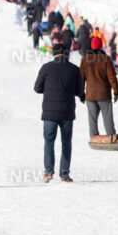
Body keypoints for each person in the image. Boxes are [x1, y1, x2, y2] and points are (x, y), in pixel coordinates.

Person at [33, 43, 84, 183]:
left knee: (49, 142)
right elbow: (80, 92)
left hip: (49, 113)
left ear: (53, 53)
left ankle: (48, 172)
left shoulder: (46, 68)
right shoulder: (75, 69)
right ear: (66, 53)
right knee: (66, 142)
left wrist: (49, 89)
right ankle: (64, 174)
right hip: (67, 112)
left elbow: (37, 88)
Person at [80, 37, 118, 137]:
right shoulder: (106, 59)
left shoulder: (85, 59)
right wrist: (116, 91)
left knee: (92, 119)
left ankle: (94, 137)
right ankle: (111, 137)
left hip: (90, 95)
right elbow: (112, 77)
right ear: (101, 46)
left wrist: (81, 93)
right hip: (104, 95)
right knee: (108, 118)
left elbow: (81, 78)